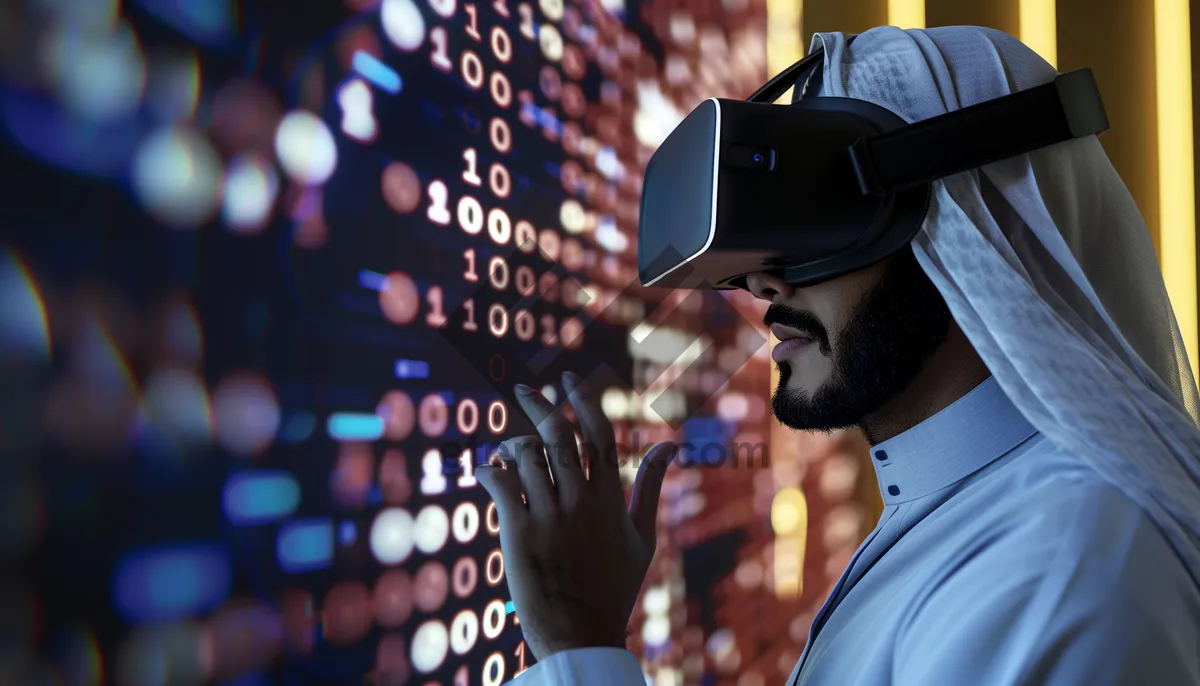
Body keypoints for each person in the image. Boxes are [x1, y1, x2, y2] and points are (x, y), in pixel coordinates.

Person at [474, 25, 1200, 685]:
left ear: (973, 230)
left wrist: (577, 645)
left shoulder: (1061, 571)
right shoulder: (969, 519)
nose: (762, 280)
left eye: (816, 209)